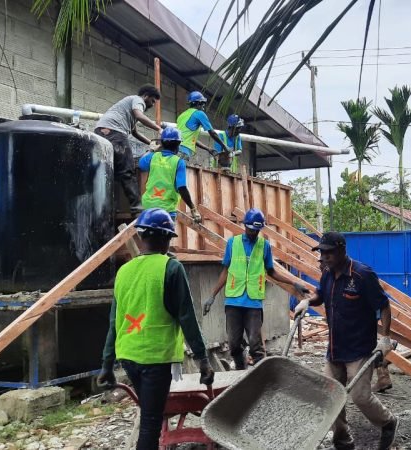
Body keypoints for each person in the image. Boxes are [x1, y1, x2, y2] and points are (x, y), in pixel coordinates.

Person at [96, 208, 214, 450]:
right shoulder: (171, 268)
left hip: (128, 357)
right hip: (156, 358)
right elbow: (187, 317)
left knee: (149, 415)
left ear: (141, 236)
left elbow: (114, 322)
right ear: (166, 238)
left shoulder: (124, 271)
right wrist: (203, 359)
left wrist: (107, 364)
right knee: (151, 422)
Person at [294, 232, 398, 450]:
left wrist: (386, 338)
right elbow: (320, 295)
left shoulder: (362, 275)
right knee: (330, 396)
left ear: (342, 250)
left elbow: (384, 306)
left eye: (329, 252)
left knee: (360, 397)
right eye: (322, 252)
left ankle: (388, 422)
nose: (324, 257)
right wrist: (308, 302)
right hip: (335, 349)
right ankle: (342, 440)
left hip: (359, 348)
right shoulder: (327, 273)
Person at [202, 208, 307, 369]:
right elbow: (226, 270)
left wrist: (293, 283)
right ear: (245, 226)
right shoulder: (233, 243)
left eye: (257, 230)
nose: (254, 233)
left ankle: (260, 376)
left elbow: (271, 272)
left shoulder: (264, 246)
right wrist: (212, 296)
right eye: (251, 229)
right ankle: (240, 370)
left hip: (253, 302)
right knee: (234, 344)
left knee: (255, 343)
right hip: (233, 301)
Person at [95, 85, 163, 214]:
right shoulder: (138, 100)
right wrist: (158, 128)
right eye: (153, 101)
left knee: (112, 172)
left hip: (101, 132)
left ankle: (113, 208)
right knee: (127, 169)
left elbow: (135, 132)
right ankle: (137, 207)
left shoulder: (127, 109)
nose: (153, 104)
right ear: (146, 96)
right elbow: (139, 115)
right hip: (114, 132)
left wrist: (151, 143)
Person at [139, 127, 202, 224]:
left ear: (162, 143)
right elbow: (182, 188)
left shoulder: (153, 157)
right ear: (178, 145)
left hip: (148, 207)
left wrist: (151, 150)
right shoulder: (178, 162)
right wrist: (193, 208)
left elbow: (141, 164)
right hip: (167, 210)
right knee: (166, 233)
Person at [176, 91, 230, 160]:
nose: (204, 106)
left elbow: (191, 139)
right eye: (203, 103)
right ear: (199, 103)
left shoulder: (181, 116)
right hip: (184, 151)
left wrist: (208, 149)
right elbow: (212, 133)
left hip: (175, 149)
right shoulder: (199, 114)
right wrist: (225, 146)